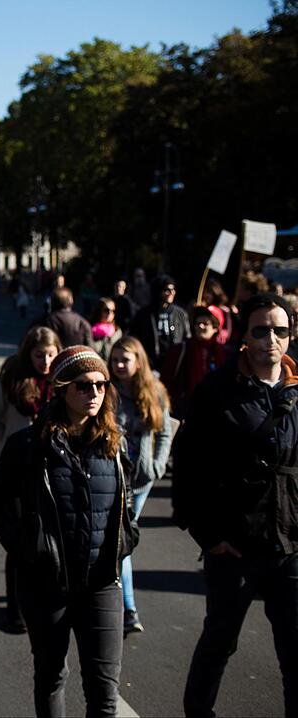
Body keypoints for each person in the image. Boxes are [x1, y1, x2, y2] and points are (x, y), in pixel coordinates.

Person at [0, 346, 137, 717]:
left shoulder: (115, 444)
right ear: (62, 389)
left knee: (104, 691)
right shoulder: (30, 445)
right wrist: (27, 548)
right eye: (84, 385)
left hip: (102, 583)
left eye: (101, 385)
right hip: (45, 584)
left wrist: (127, 539)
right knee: (52, 676)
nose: (95, 393)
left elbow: (124, 506)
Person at [172, 293, 298, 718]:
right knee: (220, 642)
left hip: (290, 546)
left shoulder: (297, 390)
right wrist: (208, 536)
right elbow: (187, 468)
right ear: (244, 335)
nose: (271, 340)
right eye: (260, 330)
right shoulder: (217, 390)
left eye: (280, 330)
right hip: (235, 546)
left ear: (291, 334)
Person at [0, 326, 61, 633]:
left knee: (49, 540)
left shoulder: (63, 380)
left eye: (51, 354)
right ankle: (15, 610)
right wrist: (13, 446)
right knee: (19, 543)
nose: (46, 361)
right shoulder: (13, 377)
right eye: (40, 355)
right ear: (29, 353)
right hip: (17, 471)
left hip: (53, 470)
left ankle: (46, 601)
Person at [108, 336, 173, 634]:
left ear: (139, 361)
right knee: (121, 540)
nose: (119, 365)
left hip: (142, 478)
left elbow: (165, 431)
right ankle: (126, 607)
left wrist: (159, 466)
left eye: (125, 360)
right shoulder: (105, 390)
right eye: (116, 359)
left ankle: (128, 609)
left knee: (123, 540)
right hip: (114, 475)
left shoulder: (154, 391)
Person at [159, 305, 227, 420]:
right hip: (186, 409)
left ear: (215, 328)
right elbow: (167, 378)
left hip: (214, 409)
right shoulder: (181, 349)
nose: (200, 326)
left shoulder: (223, 353)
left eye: (205, 324)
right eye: (198, 323)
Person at [130, 274, 190, 370]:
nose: (171, 293)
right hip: (150, 365)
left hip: (174, 364)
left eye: (173, 289)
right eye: (167, 290)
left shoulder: (180, 314)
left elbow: (187, 339)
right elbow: (135, 339)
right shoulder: (144, 314)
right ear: (158, 291)